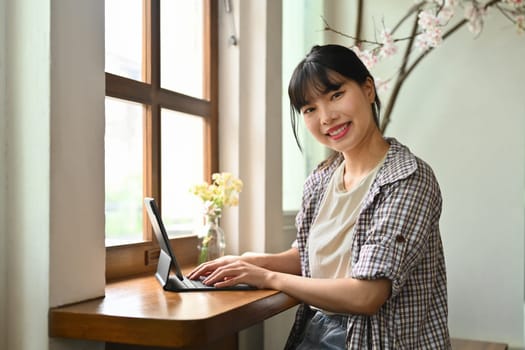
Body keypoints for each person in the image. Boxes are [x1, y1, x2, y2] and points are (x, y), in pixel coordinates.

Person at [188, 44, 450, 349]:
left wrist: (266, 277)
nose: (326, 117)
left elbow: (367, 296)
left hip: (373, 338)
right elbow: (313, 257)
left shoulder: (408, 178)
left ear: (367, 89)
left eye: (336, 95)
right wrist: (245, 261)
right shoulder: (321, 179)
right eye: (309, 109)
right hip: (318, 331)